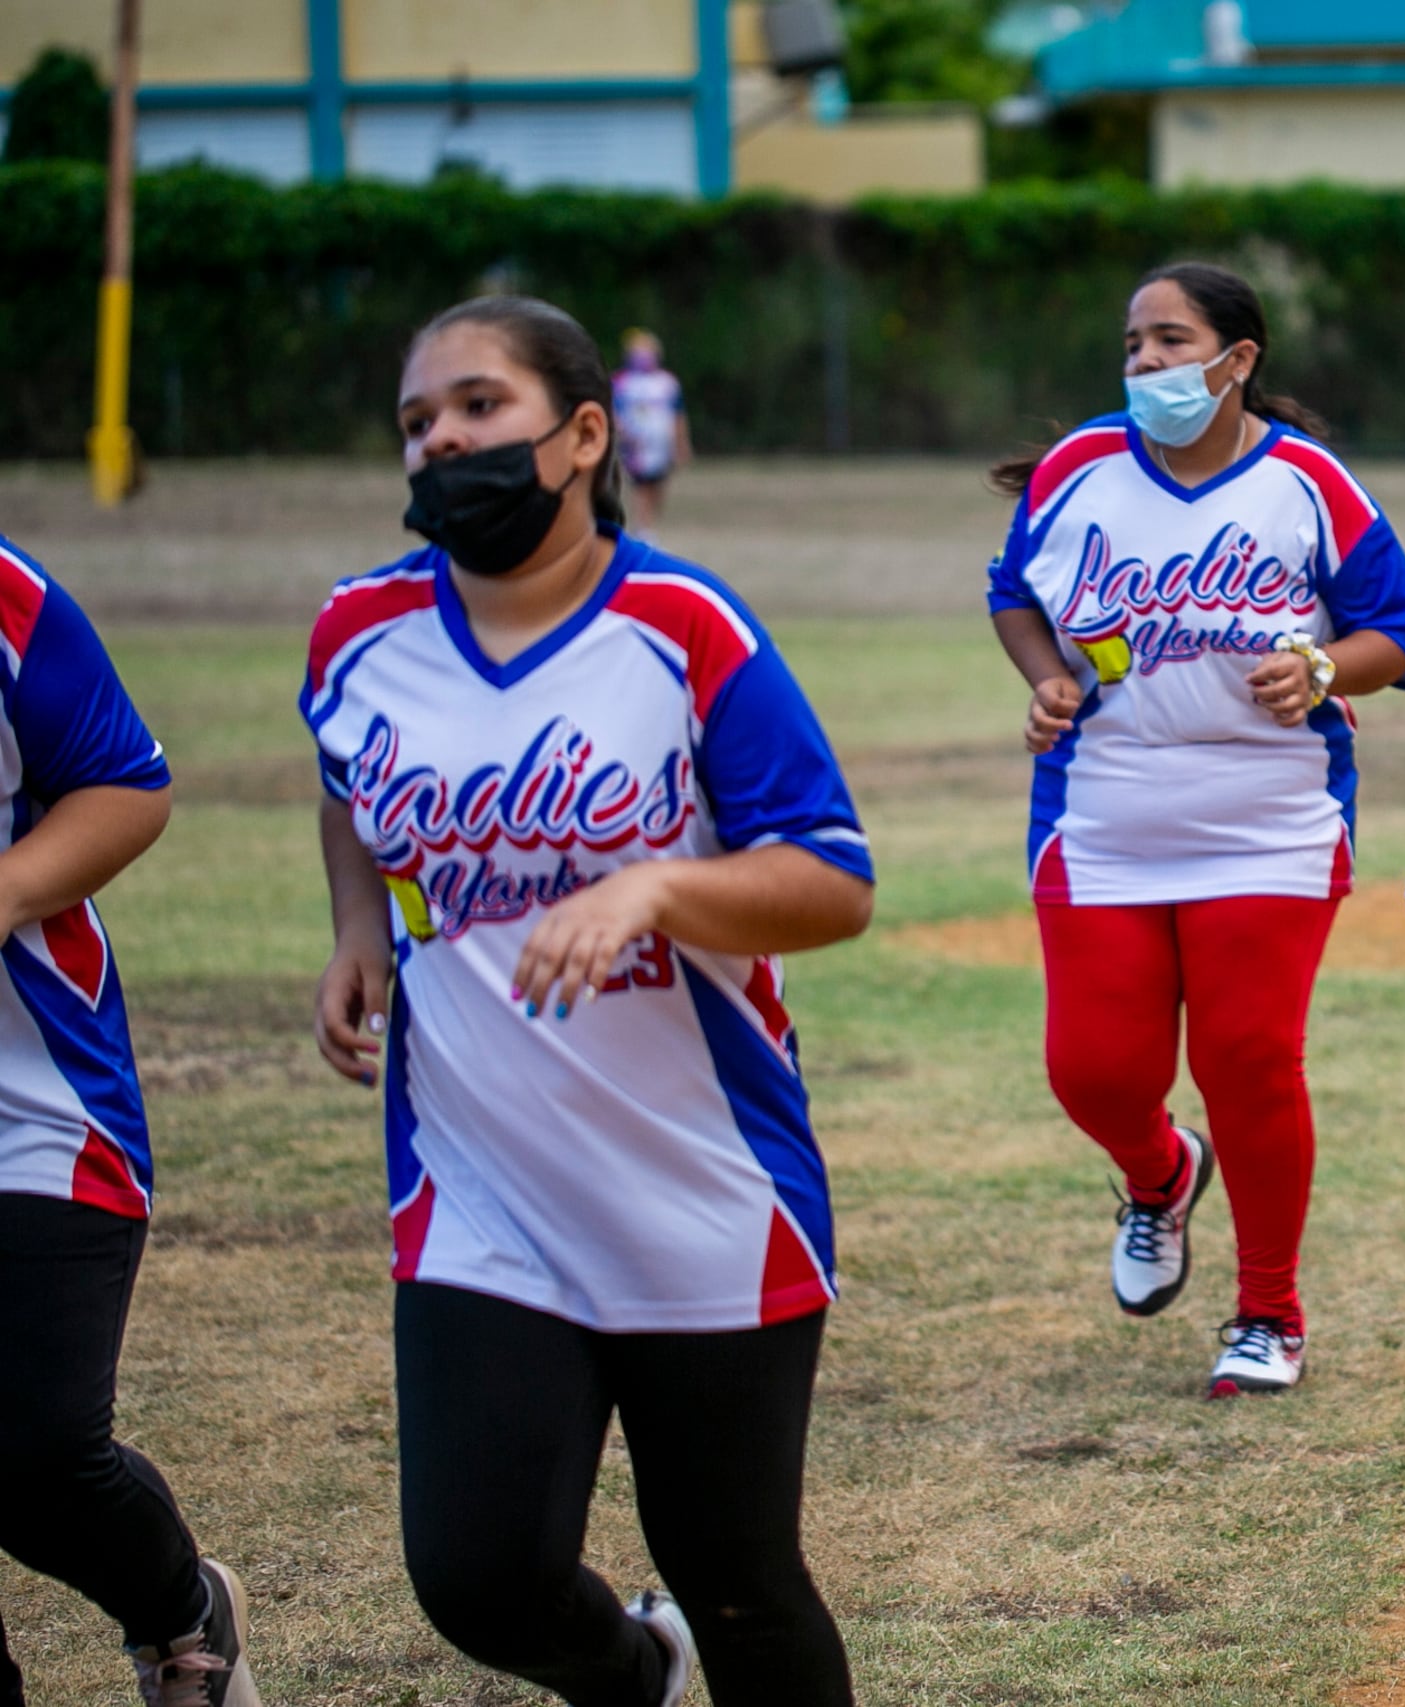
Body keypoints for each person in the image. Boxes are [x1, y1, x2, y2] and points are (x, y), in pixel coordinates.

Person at [304, 296, 874, 1707]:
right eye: (417, 420)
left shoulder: (681, 625)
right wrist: (357, 924)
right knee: (476, 1573)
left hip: (703, 1187)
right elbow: (344, 777)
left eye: (478, 406)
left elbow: (833, 877)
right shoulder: (356, 633)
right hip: (479, 1189)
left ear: (580, 433)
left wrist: (659, 891)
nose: (442, 438)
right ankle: (630, 1671)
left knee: (739, 1574)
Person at [984, 261, 1405, 1399]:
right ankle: (1158, 1174)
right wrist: (1045, 679)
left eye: (1170, 341)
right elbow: (1013, 595)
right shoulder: (1078, 470)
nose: (1145, 363)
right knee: (1094, 1071)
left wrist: (1324, 664)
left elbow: (1402, 634)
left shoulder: (1309, 484)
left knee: (1244, 1058)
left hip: (1270, 814)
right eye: (1133, 344)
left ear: (1237, 361)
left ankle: (1268, 1314)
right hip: (1103, 810)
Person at [0, 536, 258, 1707]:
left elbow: (126, 782)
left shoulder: (9, 599)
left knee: (36, 1452)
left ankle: (181, 1614)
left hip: (33, 1106)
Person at [612, 330, 690, 536]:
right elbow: (614, 411)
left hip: (662, 444)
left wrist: (681, 444)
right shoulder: (622, 382)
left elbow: (677, 414)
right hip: (637, 444)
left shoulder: (667, 382)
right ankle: (643, 529)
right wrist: (624, 434)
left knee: (658, 486)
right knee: (642, 485)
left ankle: (648, 524)